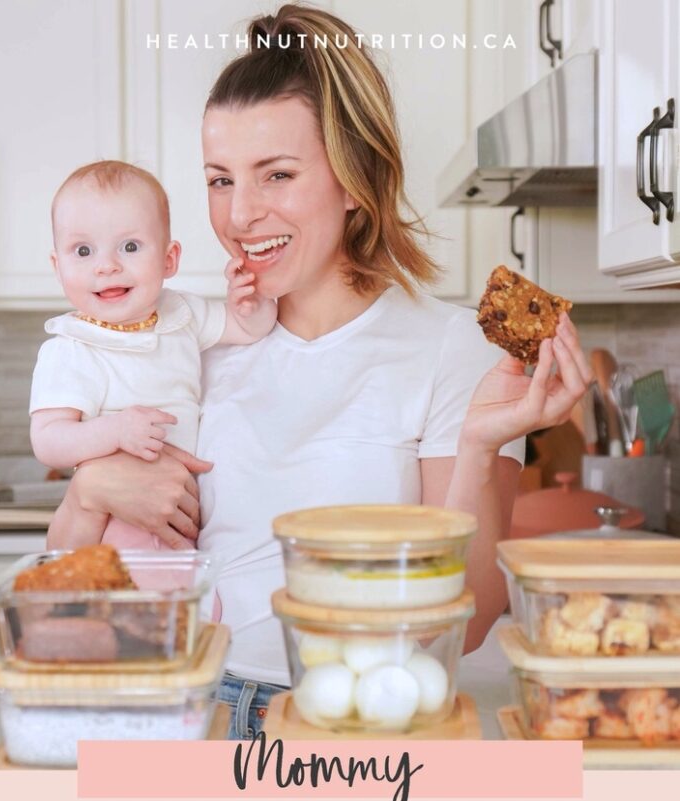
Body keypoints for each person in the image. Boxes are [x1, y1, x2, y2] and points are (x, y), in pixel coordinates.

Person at [48, 6, 591, 739]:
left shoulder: (455, 351)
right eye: (218, 179)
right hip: (191, 713)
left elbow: (465, 621)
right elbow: (72, 580)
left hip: (358, 724)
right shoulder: (186, 340)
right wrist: (88, 489)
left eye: (277, 174)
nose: (240, 214)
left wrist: (478, 445)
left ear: (352, 176)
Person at [31, 160, 277, 552]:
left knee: (186, 603)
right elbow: (48, 441)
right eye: (83, 250)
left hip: (183, 512)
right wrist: (114, 432)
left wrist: (251, 301)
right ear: (58, 268)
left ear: (169, 259)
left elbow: (249, 330)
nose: (107, 265)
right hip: (113, 520)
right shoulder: (71, 347)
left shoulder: (183, 314)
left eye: (130, 246)